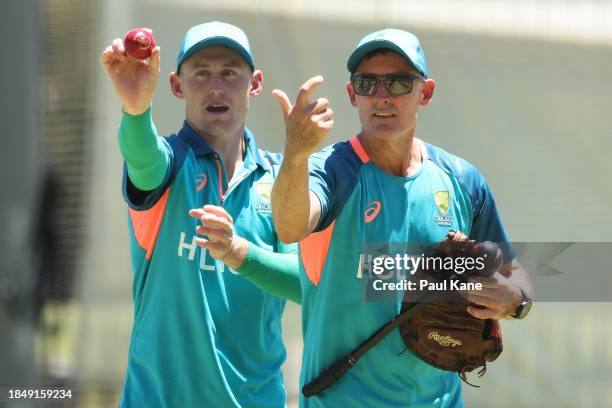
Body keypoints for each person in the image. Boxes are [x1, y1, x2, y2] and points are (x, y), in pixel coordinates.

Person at [271, 28, 533, 407]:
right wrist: (294, 154)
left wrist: (515, 299)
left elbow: (515, 273)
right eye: (367, 83)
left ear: (424, 92)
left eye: (398, 83)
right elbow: (290, 225)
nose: (381, 96)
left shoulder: (461, 180)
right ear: (352, 95)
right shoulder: (333, 170)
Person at [100, 21, 301, 407]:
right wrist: (137, 107)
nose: (216, 88)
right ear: (177, 85)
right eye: (201, 74)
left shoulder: (279, 179)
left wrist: (239, 254)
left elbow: (306, 284)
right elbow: (142, 158)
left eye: (229, 73)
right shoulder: (171, 163)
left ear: (254, 83)